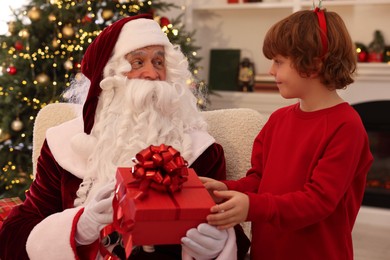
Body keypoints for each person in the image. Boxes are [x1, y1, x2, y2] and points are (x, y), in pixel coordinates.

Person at [0, 14, 250, 259]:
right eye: (138, 63)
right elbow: (16, 231)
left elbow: (229, 228)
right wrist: (77, 228)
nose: (152, 74)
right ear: (108, 77)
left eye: (159, 62)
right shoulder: (62, 144)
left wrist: (219, 247)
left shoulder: (201, 151)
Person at [200, 7, 374, 260]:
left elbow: (318, 202)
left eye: (279, 61)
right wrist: (225, 189)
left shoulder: (346, 127)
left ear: (313, 64)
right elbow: (260, 180)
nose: (271, 71)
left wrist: (252, 207)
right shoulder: (278, 120)